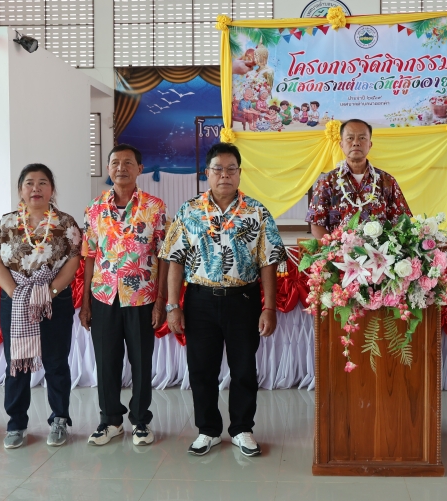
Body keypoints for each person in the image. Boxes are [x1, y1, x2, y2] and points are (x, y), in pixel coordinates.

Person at [160, 142, 285, 457]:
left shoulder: (257, 212)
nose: (225, 175)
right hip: (200, 301)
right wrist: (172, 306)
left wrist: (269, 307)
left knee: (244, 368)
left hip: (243, 300)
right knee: (201, 369)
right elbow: (174, 260)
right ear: (207, 173)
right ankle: (208, 430)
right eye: (218, 169)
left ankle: (242, 429)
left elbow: (268, 262)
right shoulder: (189, 211)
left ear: (240, 173)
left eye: (231, 169)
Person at [0, 164, 81, 449]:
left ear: (52, 189)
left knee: (56, 362)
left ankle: (59, 420)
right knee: (17, 363)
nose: (36, 188)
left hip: (54, 299)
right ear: (20, 190)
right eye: (29, 183)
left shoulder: (66, 223)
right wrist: (15, 292)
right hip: (15, 299)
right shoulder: (7, 223)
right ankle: (16, 423)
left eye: (42, 183)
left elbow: (73, 261)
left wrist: (49, 292)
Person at [80, 144, 168, 447]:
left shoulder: (155, 207)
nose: (121, 168)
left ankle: (141, 421)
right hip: (104, 296)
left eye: (128, 163)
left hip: (142, 297)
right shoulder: (94, 208)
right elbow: (89, 255)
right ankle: (110, 421)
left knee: (141, 362)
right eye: (115, 162)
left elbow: (165, 256)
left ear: (140, 169)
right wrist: (85, 303)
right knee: (106, 361)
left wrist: (161, 301)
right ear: (108, 169)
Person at [306, 118, 412, 238]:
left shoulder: (387, 181)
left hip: (379, 249)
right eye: (350, 138)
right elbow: (316, 223)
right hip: (339, 249)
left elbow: (401, 221)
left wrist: (388, 246)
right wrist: (333, 247)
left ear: (370, 144)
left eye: (362, 138)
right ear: (341, 144)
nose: (356, 143)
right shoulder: (327, 181)